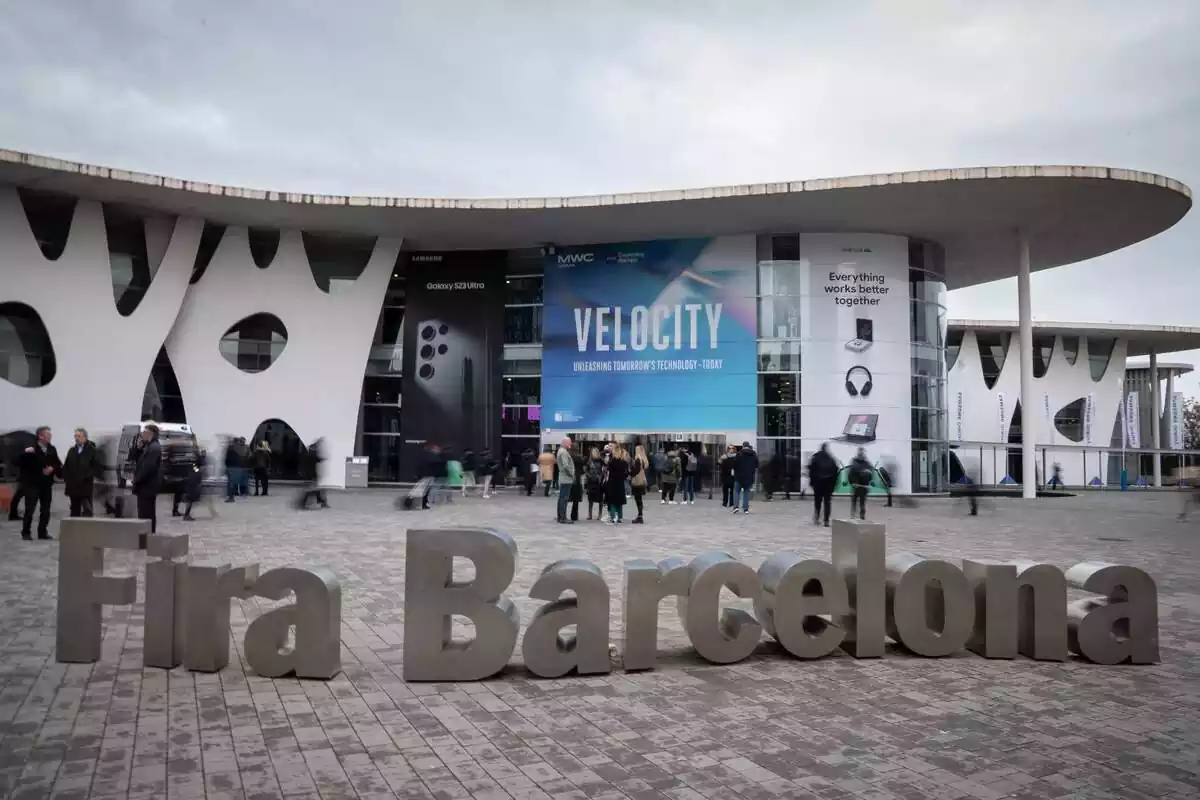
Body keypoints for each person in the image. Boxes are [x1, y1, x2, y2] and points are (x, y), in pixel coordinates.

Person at [18, 426, 62, 540]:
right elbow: (18, 462)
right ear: (40, 436)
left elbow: (58, 464)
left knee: (46, 509)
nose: (50, 436)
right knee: (30, 509)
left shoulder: (52, 449)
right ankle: (26, 532)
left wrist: (52, 468)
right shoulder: (31, 448)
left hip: (46, 484)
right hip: (33, 484)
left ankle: (42, 532)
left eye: (50, 434)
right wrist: (25, 453)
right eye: (48, 434)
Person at [62, 427, 102, 518]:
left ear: (85, 437)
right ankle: (74, 530)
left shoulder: (92, 450)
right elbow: (66, 466)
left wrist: (85, 476)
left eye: (79, 436)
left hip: (85, 487)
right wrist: (66, 477)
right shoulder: (72, 450)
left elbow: (97, 467)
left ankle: (87, 530)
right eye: (75, 436)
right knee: (74, 511)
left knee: (87, 511)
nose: (76, 438)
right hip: (73, 487)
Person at [132, 424, 163, 534]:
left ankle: (148, 535)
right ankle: (146, 535)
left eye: (144, 432)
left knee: (147, 514)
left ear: (150, 433)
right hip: (144, 487)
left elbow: (148, 467)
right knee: (144, 513)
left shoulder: (154, 447)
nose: (142, 435)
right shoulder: (147, 446)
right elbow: (134, 458)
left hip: (147, 487)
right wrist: (138, 447)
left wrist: (137, 479)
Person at [807, 443, 839, 527]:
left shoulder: (815, 458)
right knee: (827, 502)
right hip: (828, 486)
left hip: (818, 485)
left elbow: (811, 471)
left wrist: (812, 483)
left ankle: (817, 517)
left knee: (818, 502)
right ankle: (826, 520)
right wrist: (833, 485)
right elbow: (835, 473)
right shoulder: (831, 459)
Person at [298, 438, 328, 510]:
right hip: (311, 475)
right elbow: (317, 459)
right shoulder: (311, 456)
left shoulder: (309, 455)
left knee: (315, 490)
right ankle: (302, 503)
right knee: (311, 490)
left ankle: (320, 501)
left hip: (311, 475)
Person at [604, 445, 629, 524]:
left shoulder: (611, 461)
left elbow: (607, 470)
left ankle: (613, 516)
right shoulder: (623, 462)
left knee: (612, 501)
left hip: (612, 482)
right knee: (619, 501)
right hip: (620, 483)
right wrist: (623, 477)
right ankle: (619, 517)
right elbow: (626, 473)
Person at [732, 441, 758, 515]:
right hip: (749, 477)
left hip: (739, 477)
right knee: (746, 493)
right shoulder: (753, 455)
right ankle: (745, 509)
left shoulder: (739, 454)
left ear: (743, 446)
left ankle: (736, 507)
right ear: (749, 446)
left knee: (736, 492)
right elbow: (756, 465)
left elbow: (734, 465)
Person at [848, 447, 873, 520]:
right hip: (862, 486)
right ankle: (860, 517)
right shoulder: (866, 463)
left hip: (857, 486)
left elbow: (850, 473)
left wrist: (852, 482)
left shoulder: (854, 462)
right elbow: (870, 475)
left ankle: (855, 517)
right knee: (861, 503)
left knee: (856, 503)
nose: (861, 453)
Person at [555, 437, 575, 523]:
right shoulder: (563, 452)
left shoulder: (561, 451)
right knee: (564, 498)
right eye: (569, 442)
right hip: (566, 478)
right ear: (565, 442)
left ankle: (560, 517)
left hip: (563, 478)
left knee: (561, 498)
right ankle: (563, 518)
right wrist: (571, 474)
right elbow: (565, 465)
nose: (570, 444)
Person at [630, 444, 649, 524]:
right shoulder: (644, 459)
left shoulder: (638, 459)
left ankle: (640, 516)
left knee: (638, 499)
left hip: (637, 481)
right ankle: (640, 515)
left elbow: (636, 471)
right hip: (642, 480)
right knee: (639, 499)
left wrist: (630, 473)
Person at [584, 447, 605, 519]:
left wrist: (601, 475)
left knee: (600, 499)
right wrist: (589, 475)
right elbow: (586, 470)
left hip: (598, 482)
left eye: (595, 452)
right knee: (590, 499)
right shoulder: (589, 460)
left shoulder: (601, 460)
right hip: (591, 482)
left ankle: (600, 514)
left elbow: (605, 468)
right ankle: (590, 515)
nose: (594, 453)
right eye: (593, 452)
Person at [224, 438, 243, 503]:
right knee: (234, 483)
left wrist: (227, 466)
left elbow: (227, 459)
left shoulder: (230, 448)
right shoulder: (240, 449)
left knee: (230, 483)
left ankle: (231, 498)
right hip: (237, 467)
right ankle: (232, 496)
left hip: (231, 467)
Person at [569, 450, 584, 522]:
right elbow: (582, 470)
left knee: (567, 497)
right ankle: (574, 516)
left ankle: (563, 515)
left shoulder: (569, 457)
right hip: (578, 478)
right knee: (576, 500)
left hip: (570, 478)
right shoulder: (580, 458)